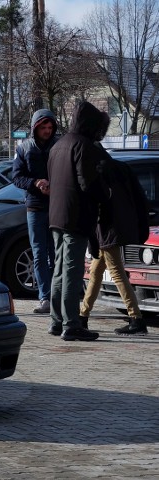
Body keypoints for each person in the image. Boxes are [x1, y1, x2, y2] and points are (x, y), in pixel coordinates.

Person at [46, 101, 108, 341]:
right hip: (76, 216)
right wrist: (106, 194)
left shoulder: (58, 145)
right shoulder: (85, 146)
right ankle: (71, 324)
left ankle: (56, 320)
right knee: (72, 270)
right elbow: (87, 184)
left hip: (56, 215)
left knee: (59, 270)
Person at [79, 152, 150, 335]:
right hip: (117, 226)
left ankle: (136, 318)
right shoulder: (119, 168)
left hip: (106, 228)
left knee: (116, 272)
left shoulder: (98, 171)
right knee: (96, 271)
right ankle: (83, 315)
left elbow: (99, 205)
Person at [12, 109, 59, 314]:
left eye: (50, 128)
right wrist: (35, 183)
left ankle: (56, 296)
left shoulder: (59, 146)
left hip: (55, 205)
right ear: (35, 128)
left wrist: (54, 186)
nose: (47, 131)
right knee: (39, 253)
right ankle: (45, 297)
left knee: (55, 253)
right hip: (35, 206)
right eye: (43, 128)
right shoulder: (24, 148)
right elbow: (16, 177)